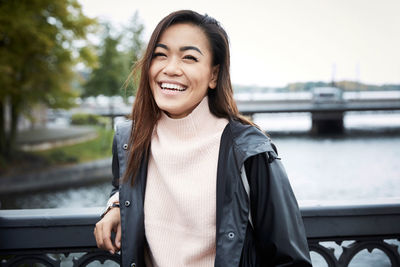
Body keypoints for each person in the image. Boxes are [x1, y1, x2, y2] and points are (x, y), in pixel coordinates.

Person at [94, 10, 312, 267]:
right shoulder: (130, 140)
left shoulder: (250, 151)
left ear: (213, 75)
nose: (171, 69)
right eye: (160, 55)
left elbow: (290, 261)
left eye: (189, 58)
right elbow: (123, 186)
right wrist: (116, 205)